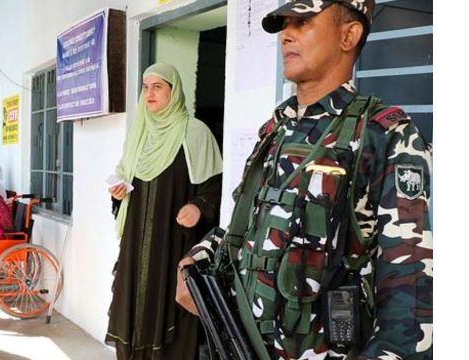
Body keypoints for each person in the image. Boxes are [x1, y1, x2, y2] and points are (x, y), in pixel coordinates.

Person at [176, 1, 433, 359]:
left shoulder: (386, 135)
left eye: (303, 22)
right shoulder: (275, 129)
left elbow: (413, 296)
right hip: (238, 343)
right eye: (285, 24)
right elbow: (244, 229)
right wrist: (198, 255)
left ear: (349, 35)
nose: (287, 34)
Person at [105, 63, 223, 360]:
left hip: (173, 243)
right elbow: (125, 178)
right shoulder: (139, 134)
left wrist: (199, 206)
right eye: (146, 87)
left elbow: (217, 185)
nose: (150, 93)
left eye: (158, 86)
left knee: (171, 312)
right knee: (132, 311)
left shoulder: (195, 133)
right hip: (134, 246)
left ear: (174, 91)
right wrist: (119, 193)